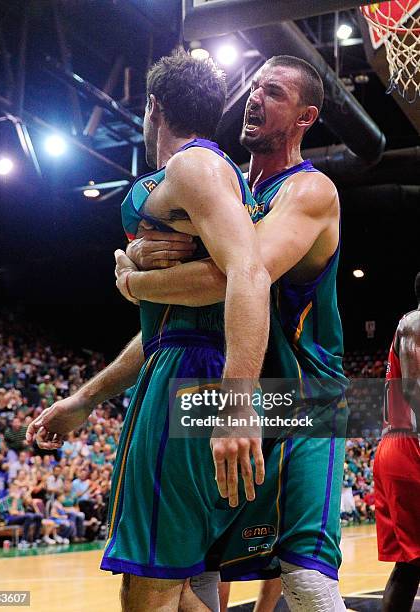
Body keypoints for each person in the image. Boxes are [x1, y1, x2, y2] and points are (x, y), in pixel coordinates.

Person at [27, 51, 269, 612]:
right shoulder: (204, 174)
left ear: (152, 107)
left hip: (194, 375)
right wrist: (86, 398)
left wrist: (237, 404)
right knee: (172, 584)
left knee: (149, 589)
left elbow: (247, 273)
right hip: (180, 359)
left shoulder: (195, 167)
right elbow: (168, 328)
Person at [115, 55, 347, 610]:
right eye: (253, 87)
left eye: (273, 93)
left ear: (305, 118)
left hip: (303, 401)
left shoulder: (309, 191)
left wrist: (136, 279)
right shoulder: (226, 188)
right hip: (237, 386)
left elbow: (242, 275)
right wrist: (144, 261)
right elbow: (176, 326)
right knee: (192, 574)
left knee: (306, 579)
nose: (254, 98)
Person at [373, 272, 420, 612]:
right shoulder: (415, 321)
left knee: (409, 567)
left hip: (399, 447)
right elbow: (415, 392)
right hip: (410, 447)